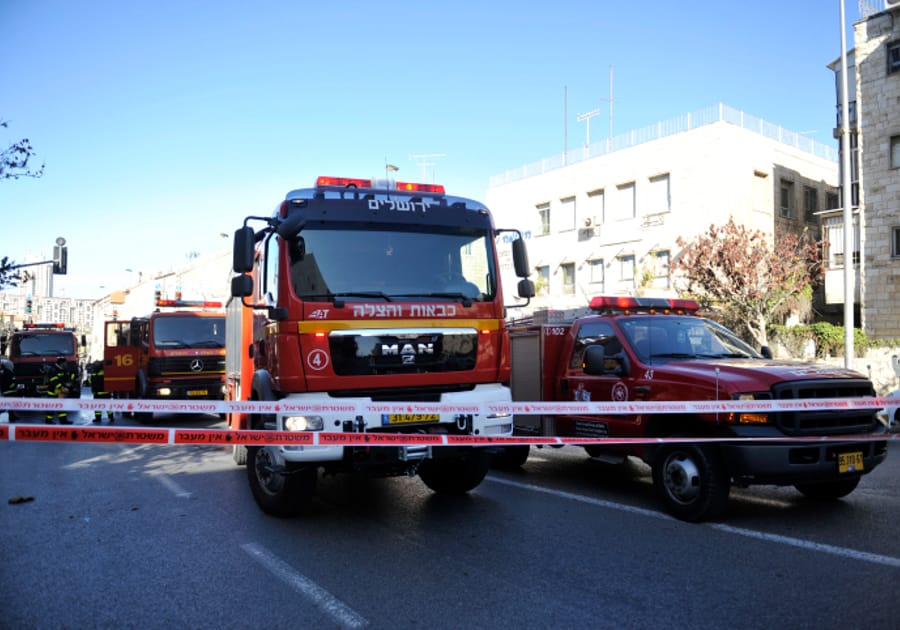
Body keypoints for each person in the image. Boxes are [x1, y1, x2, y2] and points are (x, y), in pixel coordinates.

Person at [45, 356, 75, 425]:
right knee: (51, 407)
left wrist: (70, 384)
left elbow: (66, 378)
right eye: (65, 363)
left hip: (60, 393)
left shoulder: (62, 370)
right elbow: (54, 381)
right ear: (61, 363)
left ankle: (63, 421)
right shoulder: (53, 370)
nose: (66, 365)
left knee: (61, 406)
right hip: (53, 392)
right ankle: (48, 421)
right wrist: (62, 388)